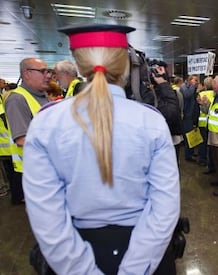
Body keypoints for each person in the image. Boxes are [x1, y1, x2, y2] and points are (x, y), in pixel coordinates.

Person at [22, 24, 180, 274]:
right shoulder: (150, 121)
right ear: (126, 65)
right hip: (145, 250)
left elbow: (46, 215)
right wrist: (134, 268)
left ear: (79, 65)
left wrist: (81, 269)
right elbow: (165, 206)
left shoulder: (46, 123)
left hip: (73, 251)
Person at [5, 58, 51, 205]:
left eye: (48, 71)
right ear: (27, 74)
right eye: (42, 71)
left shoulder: (41, 96)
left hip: (46, 170)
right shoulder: (17, 99)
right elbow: (21, 140)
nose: (48, 75)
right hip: (33, 172)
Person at [181, 74, 199, 162]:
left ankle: (191, 152)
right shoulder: (184, 87)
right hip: (186, 115)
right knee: (188, 135)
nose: (196, 82)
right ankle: (188, 155)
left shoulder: (192, 88)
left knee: (191, 134)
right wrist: (192, 86)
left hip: (191, 114)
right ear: (190, 80)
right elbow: (187, 95)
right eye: (195, 80)